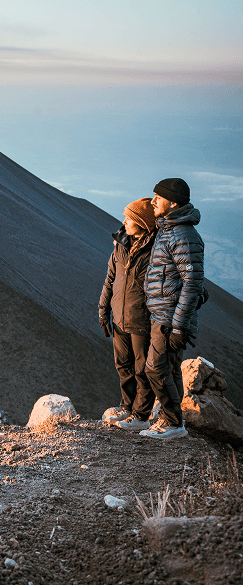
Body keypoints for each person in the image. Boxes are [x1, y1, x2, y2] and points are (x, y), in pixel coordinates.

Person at [140, 178, 204, 440]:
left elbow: (192, 284)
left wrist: (178, 325)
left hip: (169, 318)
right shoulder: (169, 230)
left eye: (158, 197)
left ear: (173, 203)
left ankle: (172, 422)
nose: (152, 201)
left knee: (154, 368)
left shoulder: (184, 236)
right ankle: (173, 422)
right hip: (162, 313)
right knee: (169, 368)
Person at [99, 198, 157, 430]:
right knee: (123, 365)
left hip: (142, 320)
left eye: (129, 218)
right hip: (119, 318)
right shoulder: (121, 245)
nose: (124, 221)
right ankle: (127, 407)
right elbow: (110, 279)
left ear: (142, 222)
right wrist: (103, 310)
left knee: (142, 369)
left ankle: (141, 416)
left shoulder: (155, 251)